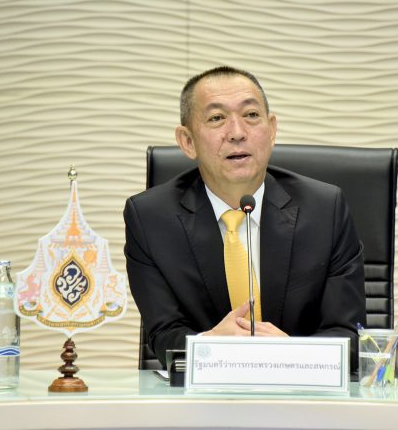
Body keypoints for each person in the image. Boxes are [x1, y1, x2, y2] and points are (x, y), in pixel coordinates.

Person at [124, 66, 365, 370]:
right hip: (203, 394)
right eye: (216, 118)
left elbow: (349, 335)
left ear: (272, 129)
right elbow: (164, 334)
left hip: (302, 393)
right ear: (187, 141)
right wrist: (210, 345)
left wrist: (293, 354)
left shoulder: (325, 210)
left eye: (251, 115)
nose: (237, 132)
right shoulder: (150, 219)